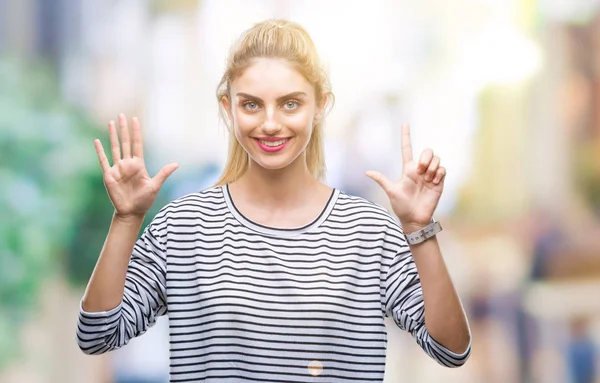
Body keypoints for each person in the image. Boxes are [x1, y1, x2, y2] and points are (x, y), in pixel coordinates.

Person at [76, 19, 471, 382]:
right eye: (251, 104)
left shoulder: (367, 231)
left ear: (320, 106)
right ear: (228, 109)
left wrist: (420, 229)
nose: (269, 122)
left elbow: (451, 350)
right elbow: (97, 335)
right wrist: (126, 219)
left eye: (290, 103)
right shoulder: (183, 225)